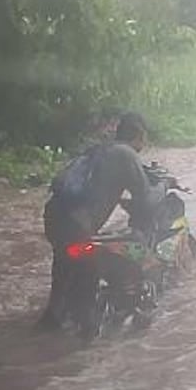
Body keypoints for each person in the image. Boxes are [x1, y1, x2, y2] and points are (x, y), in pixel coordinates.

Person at [35, 111, 162, 332]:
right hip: (77, 229)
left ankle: (44, 336)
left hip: (55, 222)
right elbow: (147, 201)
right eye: (144, 139)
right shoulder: (126, 154)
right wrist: (165, 186)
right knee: (86, 300)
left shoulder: (99, 150)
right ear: (140, 135)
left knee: (59, 298)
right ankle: (85, 356)